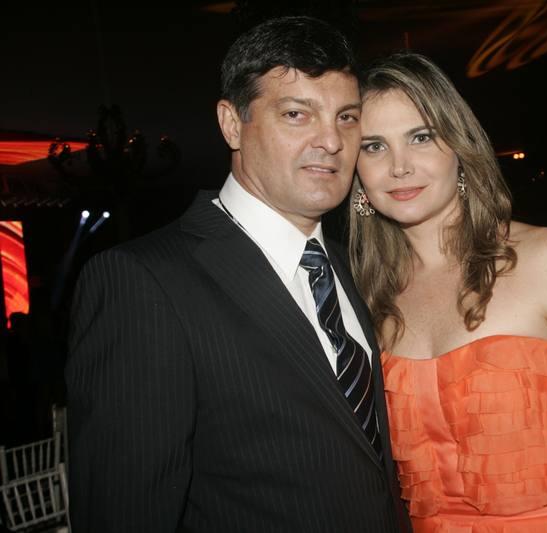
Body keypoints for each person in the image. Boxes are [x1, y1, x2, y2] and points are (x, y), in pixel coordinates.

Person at [65, 16, 410, 532]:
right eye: (296, 114)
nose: (331, 140)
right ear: (231, 124)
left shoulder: (354, 266)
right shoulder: (143, 281)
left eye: (346, 117)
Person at [348, 52, 547, 532]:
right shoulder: (362, 296)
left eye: (421, 137)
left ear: (459, 147)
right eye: (374, 146)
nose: (399, 166)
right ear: (355, 170)